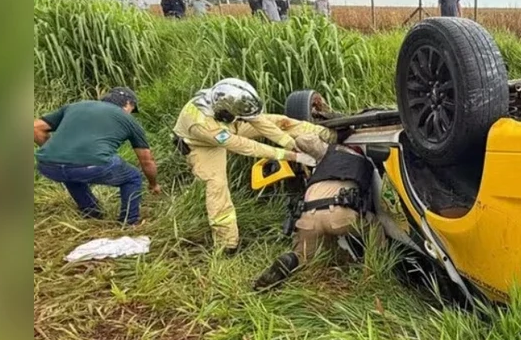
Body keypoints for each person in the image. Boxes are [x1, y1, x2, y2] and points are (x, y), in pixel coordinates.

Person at [171, 79, 333, 254]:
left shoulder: (228, 98)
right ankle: (227, 244)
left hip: (229, 125)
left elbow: (262, 123)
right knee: (216, 186)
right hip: (204, 144)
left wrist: (290, 143)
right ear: (226, 112)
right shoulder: (202, 124)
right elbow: (246, 146)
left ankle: (328, 133)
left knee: (281, 121)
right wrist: (294, 156)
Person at [253, 142, 378, 290]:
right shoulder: (359, 164)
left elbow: (303, 139)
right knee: (375, 226)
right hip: (338, 216)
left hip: (308, 218)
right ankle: (374, 272)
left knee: (304, 258)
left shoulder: (323, 164)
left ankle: (289, 262)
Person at [34, 87, 160, 226]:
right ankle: (129, 223)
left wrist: (53, 150)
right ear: (128, 104)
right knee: (133, 177)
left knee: (73, 174)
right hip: (94, 165)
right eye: (132, 109)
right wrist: (153, 184)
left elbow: (35, 127)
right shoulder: (128, 119)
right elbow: (146, 161)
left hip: (47, 166)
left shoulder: (75, 106)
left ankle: (92, 213)